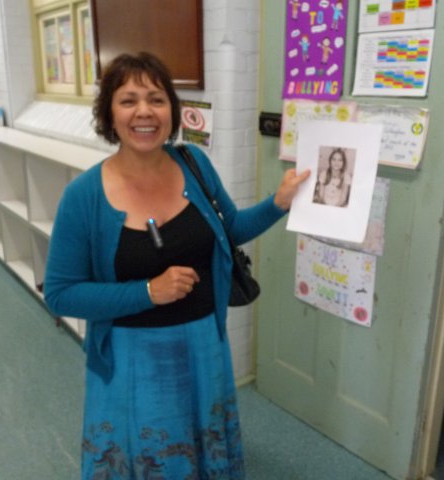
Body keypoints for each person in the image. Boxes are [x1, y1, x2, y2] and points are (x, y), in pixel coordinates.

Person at [43, 51, 309, 479]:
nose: (144, 111)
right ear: (109, 114)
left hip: (205, 344)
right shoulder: (84, 196)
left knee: (205, 454)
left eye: (156, 98)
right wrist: (149, 291)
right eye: (128, 100)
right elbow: (60, 293)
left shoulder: (194, 164)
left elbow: (232, 229)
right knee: (148, 459)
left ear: (172, 109)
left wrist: (278, 203)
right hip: (133, 360)